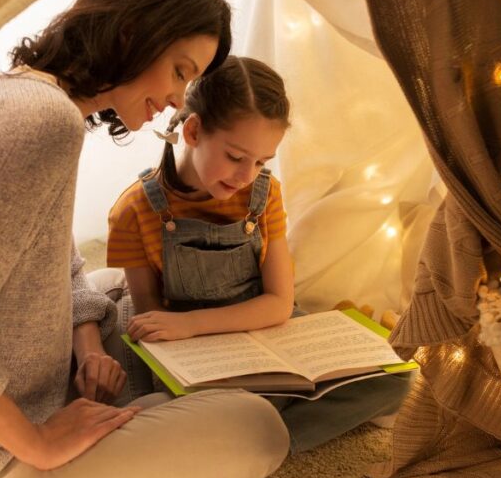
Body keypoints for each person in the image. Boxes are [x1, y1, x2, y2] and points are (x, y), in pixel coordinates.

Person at [0, 0, 288, 478]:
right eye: (180, 72)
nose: (175, 101)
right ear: (131, 33)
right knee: (258, 426)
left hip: (41, 388)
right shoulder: (41, 125)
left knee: (109, 304)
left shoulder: (24, 98)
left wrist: (87, 345)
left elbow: (59, 262)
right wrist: (40, 443)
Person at [105, 55, 412, 453]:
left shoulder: (264, 194)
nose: (246, 176)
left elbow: (279, 304)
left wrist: (199, 323)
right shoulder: (133, 210)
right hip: (191, 348)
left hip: (262, 328)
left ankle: (259, 443)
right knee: (162, 405)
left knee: (394, 379)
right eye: (235, 157)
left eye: (261, 161)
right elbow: (152, 320)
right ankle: (250, 429)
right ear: (194, 130)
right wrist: (189, 331)